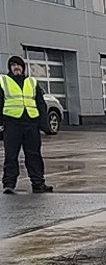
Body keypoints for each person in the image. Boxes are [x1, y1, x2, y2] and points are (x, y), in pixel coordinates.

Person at [1, 55, 52, 193]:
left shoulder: (32, 82)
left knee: (34, 155)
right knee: (11, 155)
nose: (16, 67)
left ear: (23, 67)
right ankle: (9, 185)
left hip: (31, 123)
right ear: (10, 68)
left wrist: (43, 124)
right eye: (13, 65)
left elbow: (40, 103)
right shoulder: (3, 81)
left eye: (19, 65)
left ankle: (38, 184)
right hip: (12, 123)